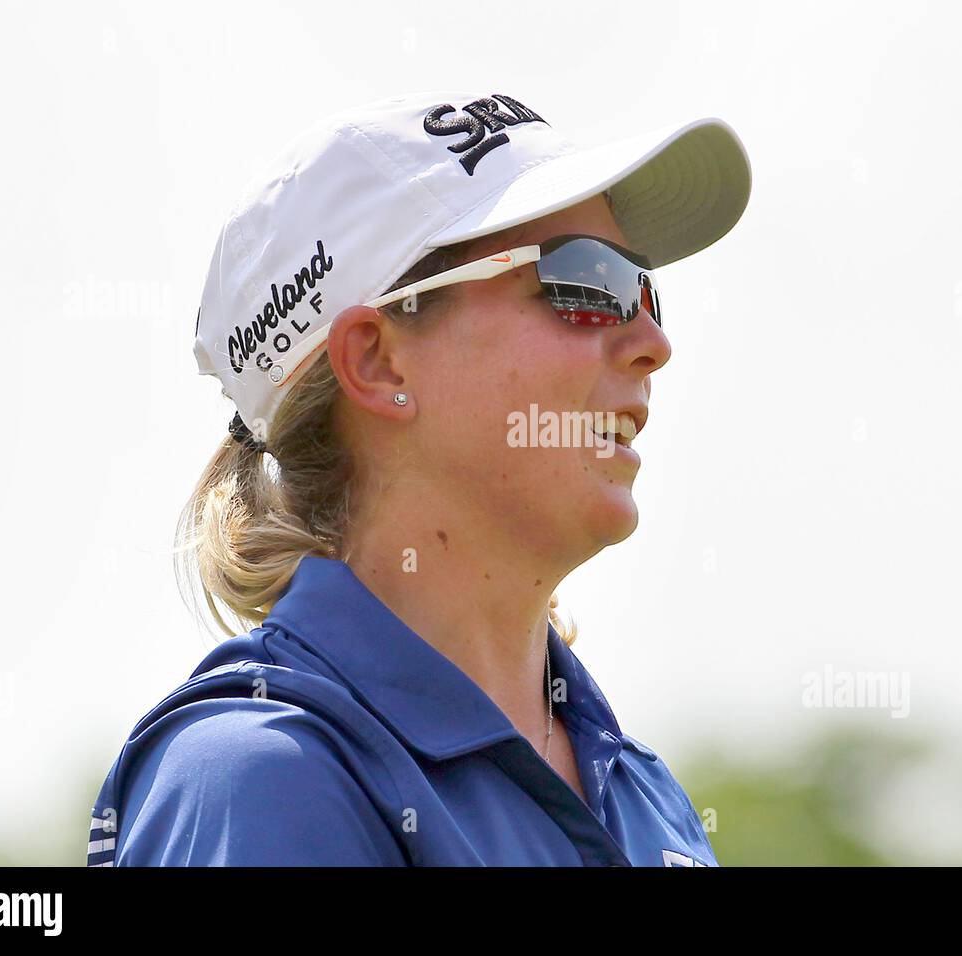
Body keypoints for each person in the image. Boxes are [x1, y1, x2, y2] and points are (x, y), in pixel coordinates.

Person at [87, 90, 751, 866]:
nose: (653, 341)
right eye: (587, 283)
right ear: (377, 359)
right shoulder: (260, 779)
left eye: (644, 290)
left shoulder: (646, 793)